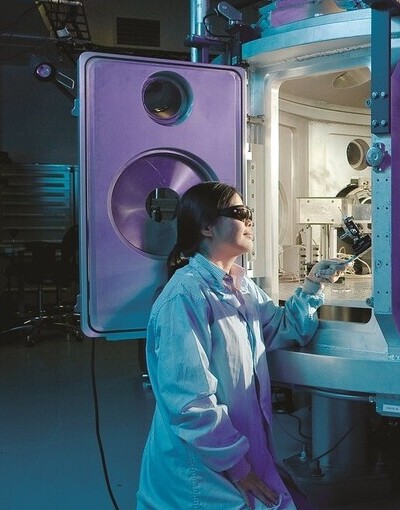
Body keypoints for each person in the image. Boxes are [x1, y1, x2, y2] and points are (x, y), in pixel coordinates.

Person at [137, 181, 346, 510]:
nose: (249, 220)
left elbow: (282, 328)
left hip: (239, 455)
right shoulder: (184, 296)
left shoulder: (239, 285)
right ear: (207, 226)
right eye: (239, 212)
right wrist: (239, 468)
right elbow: (190, 404)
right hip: (202, 472)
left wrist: (312, 284)